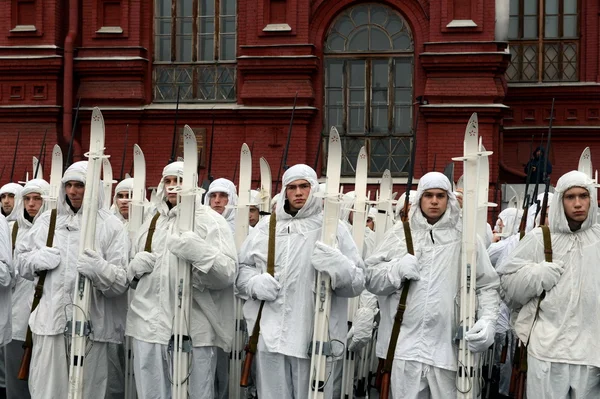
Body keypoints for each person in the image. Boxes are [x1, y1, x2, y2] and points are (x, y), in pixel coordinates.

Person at [365, 171, 500, 398]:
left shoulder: (466, 238)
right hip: (404, 348)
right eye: (428, 195)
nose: (434, 201)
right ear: (420, 199)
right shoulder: (399, 234)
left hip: (448, 349)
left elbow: (487, 285)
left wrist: (488, 321)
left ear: (448, 198)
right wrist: (394, 270)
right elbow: (370, 278)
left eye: (440, 195)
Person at [236, 164, 365, 399]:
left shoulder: (333, 228)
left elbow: (357, 282)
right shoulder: (266, 227)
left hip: (313, 334)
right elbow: (242, 270)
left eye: (304, 186)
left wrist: (338, 266)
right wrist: (254, 284)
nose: (298, 192)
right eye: (292, 187)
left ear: (314, 189)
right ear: (285, 191)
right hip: (270, 333)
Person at [14, 161, 129, 399]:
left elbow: (120, 282)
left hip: (92, 324)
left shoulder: (111, 225)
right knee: (47, 389)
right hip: (50, 321)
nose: (73, 191)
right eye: (69, 185)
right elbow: (20, 263)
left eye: (80, 185)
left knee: (88, 390)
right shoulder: (48, 222)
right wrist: (37, 259)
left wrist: (99, 269)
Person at [126, 162, 237, 399]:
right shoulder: (151, 223)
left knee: (197, 392)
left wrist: (199, 252)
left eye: (179, 181)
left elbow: (227, 273)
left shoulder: (211, 221)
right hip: (148, 325)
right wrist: (133, 269)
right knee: (151, 393)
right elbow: (131, 276)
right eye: (168, 181)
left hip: (194, 326)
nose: (173, 187)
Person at [498, 170, 600, 398]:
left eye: (583, 196)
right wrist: (535, 275)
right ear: (560, 200)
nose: (577, 203)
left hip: (591, 353)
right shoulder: (539, 238)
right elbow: (506, 285)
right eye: (570, 197)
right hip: (546, 350)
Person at [4, 179, 49, 399]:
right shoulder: (12, 230)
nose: (31, 204)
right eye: (27, 199)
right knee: (15, 386)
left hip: (48, 321)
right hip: (17, 321)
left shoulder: (58, 230)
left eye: (37, 198)